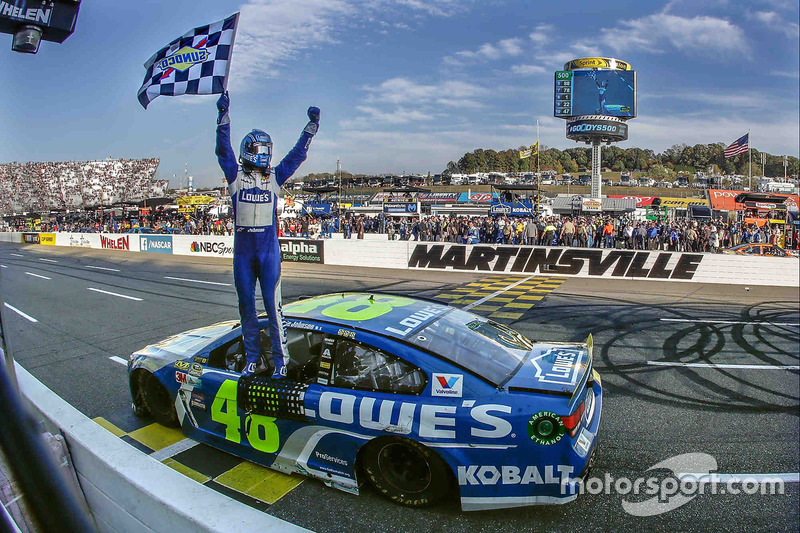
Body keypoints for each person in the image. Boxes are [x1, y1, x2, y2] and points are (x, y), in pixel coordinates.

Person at [215, 91, 320, 378]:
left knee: (275, 309)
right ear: (250, 150)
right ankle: (253, 358)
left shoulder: (274, 177)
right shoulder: (236, 176)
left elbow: (297, 156)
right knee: (246, 306)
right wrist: (223, 119)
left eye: (266, 150)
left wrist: (311, 128)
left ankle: (280, 361)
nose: (264, 155)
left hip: (268, 250)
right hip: (244, 252)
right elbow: (223, 151)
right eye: (261, 150)